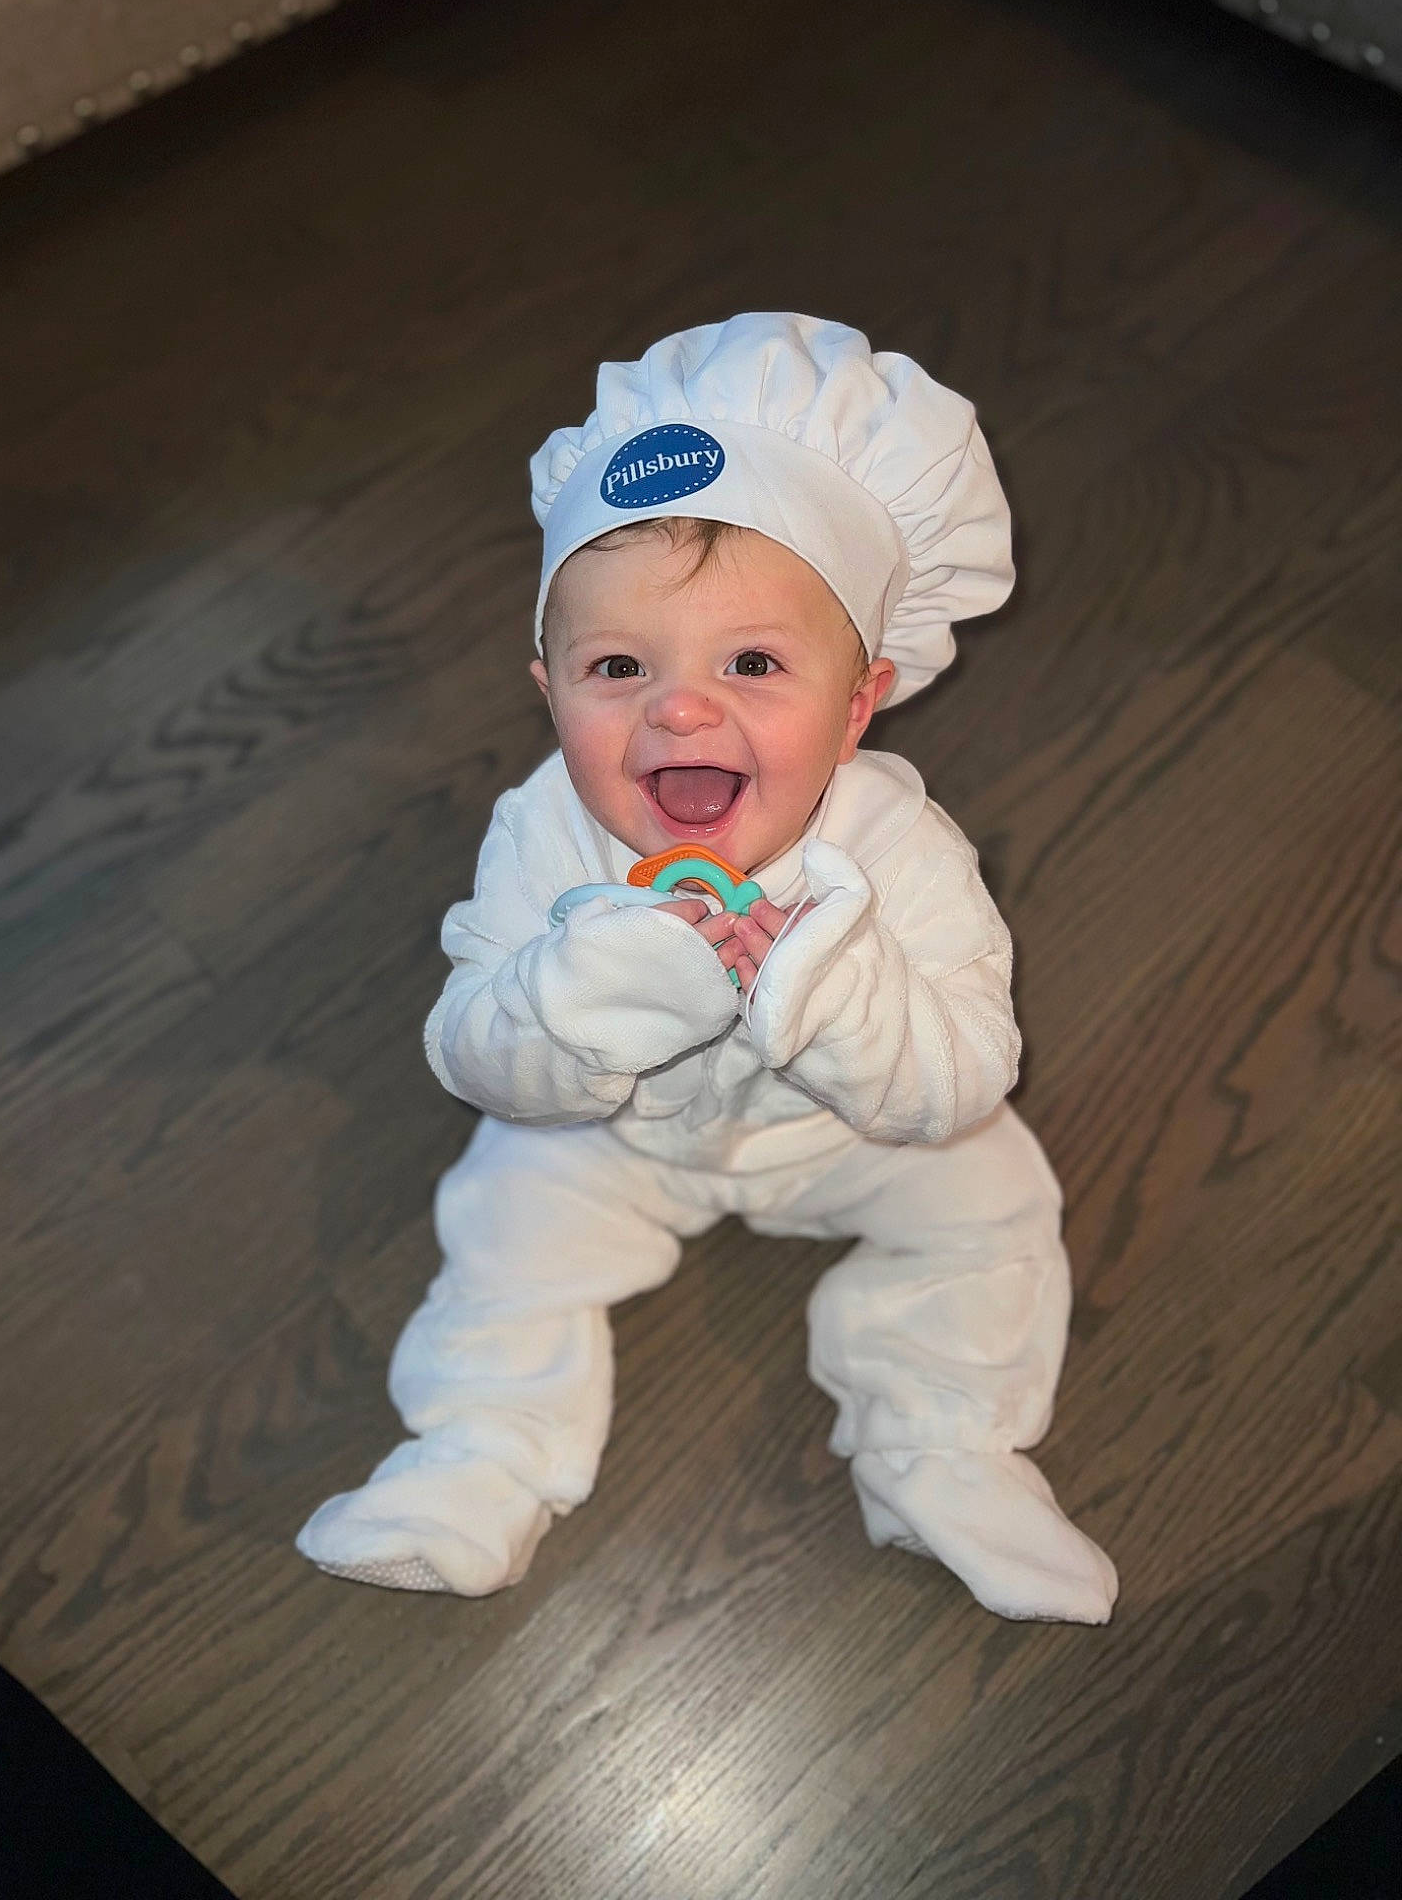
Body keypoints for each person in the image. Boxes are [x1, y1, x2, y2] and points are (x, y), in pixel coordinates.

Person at [295, 312, 1118, 1624]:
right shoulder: (541, 831)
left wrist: (829, 992)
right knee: (506, 1212)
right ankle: (480, 1453)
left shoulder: (897, 849)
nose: (679, 709)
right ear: (547, 685)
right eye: (618, 666)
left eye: (752, 664)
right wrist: (598, 987)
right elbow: (472, 1050)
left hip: (840, 1129)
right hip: (615, 1135)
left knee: (992, 1195)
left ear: (859, 703)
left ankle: (942, 1445)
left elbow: (965, 1074)